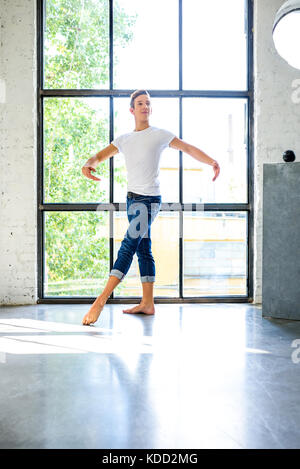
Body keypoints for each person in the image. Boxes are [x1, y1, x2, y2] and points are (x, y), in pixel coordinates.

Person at [81, 89, 220, 325]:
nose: (145, 106)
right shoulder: (124, 140)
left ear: (151, 109)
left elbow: (187, 148)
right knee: (143, 248)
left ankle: (100, 301)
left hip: (149, 201)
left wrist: (212, 162)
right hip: (131, 200)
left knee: (127, 246)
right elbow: (98, 157)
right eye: (140, 103)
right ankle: (147, 303)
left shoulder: (160, 135)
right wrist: (88, 165)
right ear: (132, 110)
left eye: (148, 103)